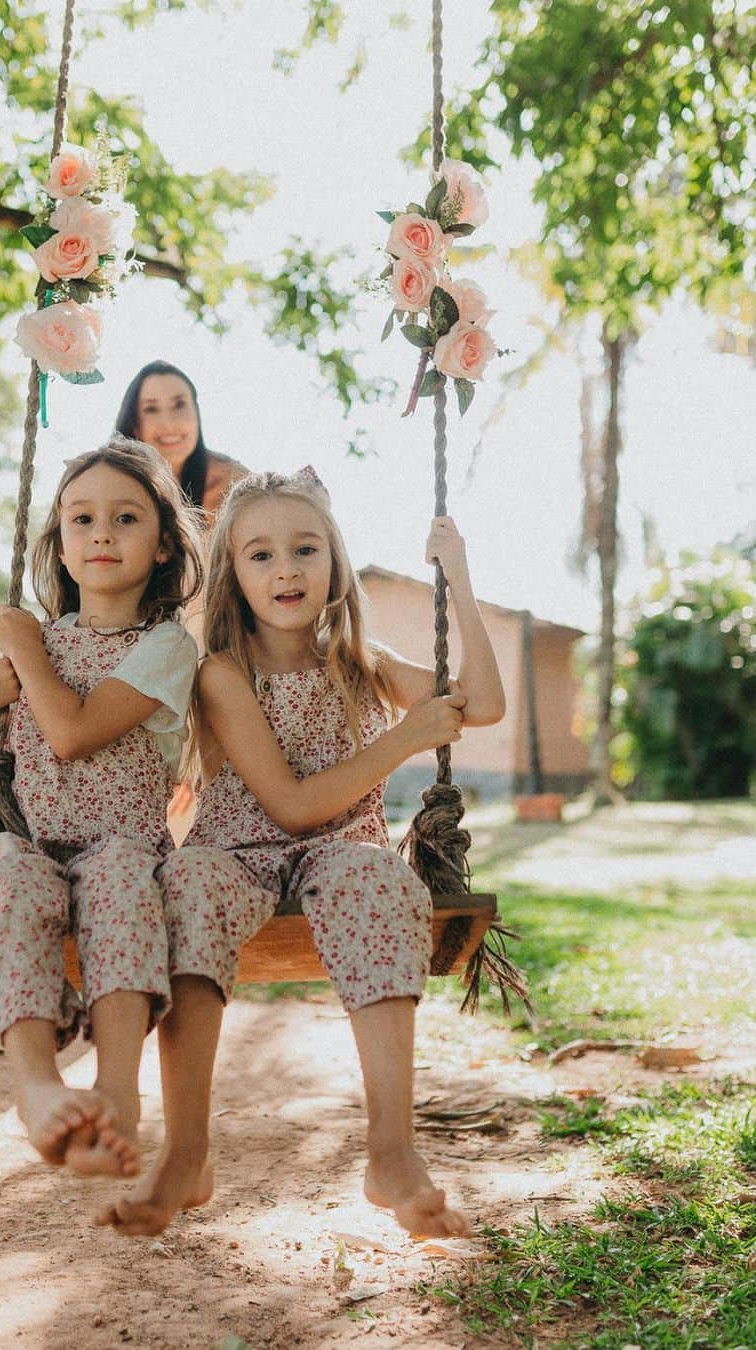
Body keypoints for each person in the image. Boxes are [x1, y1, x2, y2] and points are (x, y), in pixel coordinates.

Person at [96, 467, 505, 1238]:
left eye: (305, 549)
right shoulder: (221, 671)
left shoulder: (361, 658)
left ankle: (391, 1152)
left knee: (379, 878)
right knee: (182, 884)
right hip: (234, 855)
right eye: (259, 555)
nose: (285, 569)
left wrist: (460, 578)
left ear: (335, 564)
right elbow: (287, 804)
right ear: (233, 576)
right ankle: (187, 1152)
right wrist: (405, 739)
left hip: (340, 854)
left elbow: (481, 703)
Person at [0, 436, 203, 1180]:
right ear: (59, 547)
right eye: (81, 519)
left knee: (123, 879)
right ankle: (35, 1085)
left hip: (120, 844)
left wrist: (25, 657)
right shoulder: (38, 642)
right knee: (2, 874)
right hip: (35, 847)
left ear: (163, 546)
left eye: (126, 518)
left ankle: (118, 1091)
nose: (101, 533)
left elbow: (69, 734)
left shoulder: (164, 646)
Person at [114, 360, 247, 521]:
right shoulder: (110, 486)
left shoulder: (235, 485)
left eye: (179, 405)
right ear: (135, 425)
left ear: (196, 413)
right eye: (151, 409)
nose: (169, 424)